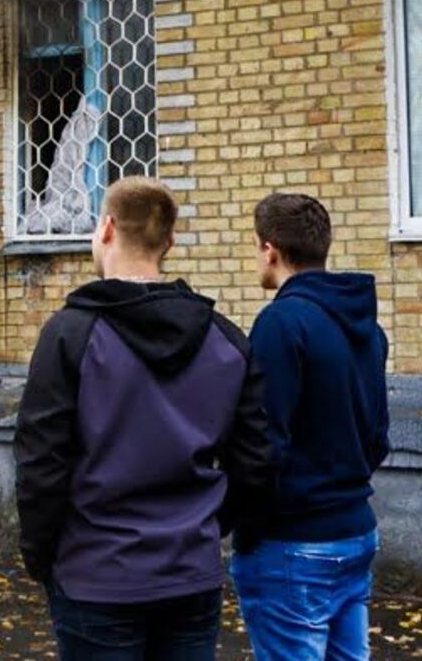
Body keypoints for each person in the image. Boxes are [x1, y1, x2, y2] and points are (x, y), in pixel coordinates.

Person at [16, 177, 275, 661]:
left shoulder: (69, 336)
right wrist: (199, 531)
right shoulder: (226, 340)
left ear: (108, 229)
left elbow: (41, 463)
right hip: (189, 576)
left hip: (96, 577)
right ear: (170, 242)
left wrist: (43, 558)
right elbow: (254, 462)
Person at [231, 193, 391, 661]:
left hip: (292, 544)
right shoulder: (366, 327)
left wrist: (247, 525)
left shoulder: (281, 323)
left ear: (270, 249)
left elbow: (261, 442)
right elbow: (377, 436)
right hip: (356, 531)